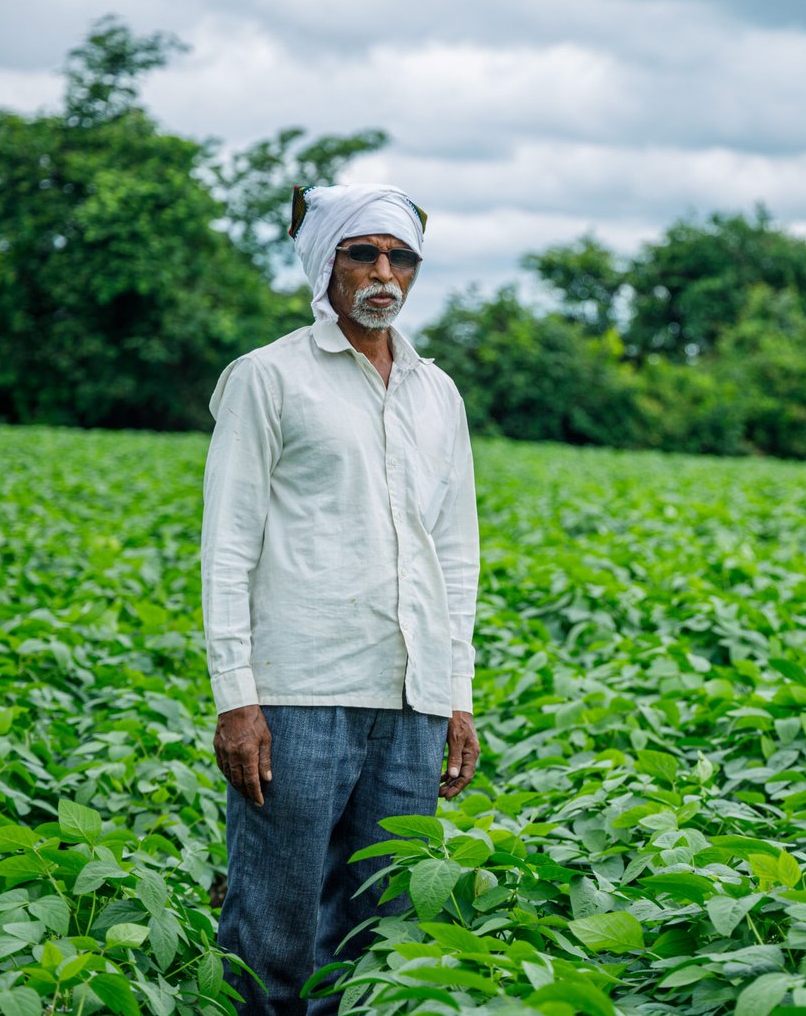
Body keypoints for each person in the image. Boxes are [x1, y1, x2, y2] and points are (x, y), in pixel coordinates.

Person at [200, 183, 481, 1015]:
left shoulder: (438, 392)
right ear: (327, 263)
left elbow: (455, 553)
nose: (384, 272)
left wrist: (456, 692)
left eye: (400, 257)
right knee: (272, 930)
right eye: (364, 253)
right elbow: (227, 545)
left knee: (381, 935)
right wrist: (236, 698)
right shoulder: (269, 377)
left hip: (412, 699)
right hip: (298, 692)